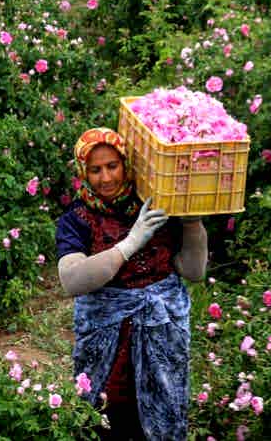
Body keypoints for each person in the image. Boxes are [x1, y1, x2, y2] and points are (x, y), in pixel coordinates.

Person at [55, 127, 208, 441]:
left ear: (126, 164)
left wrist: (193, 221)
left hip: (161, 334)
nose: (106, 178)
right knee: (106, 412)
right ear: (83, 172)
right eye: (95, 170)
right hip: (109, 340)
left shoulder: (154, 206)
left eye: (112, 166)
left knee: (159, 414)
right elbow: (71, 280)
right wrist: (130, 243)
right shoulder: (77, 218)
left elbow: (191, 271)